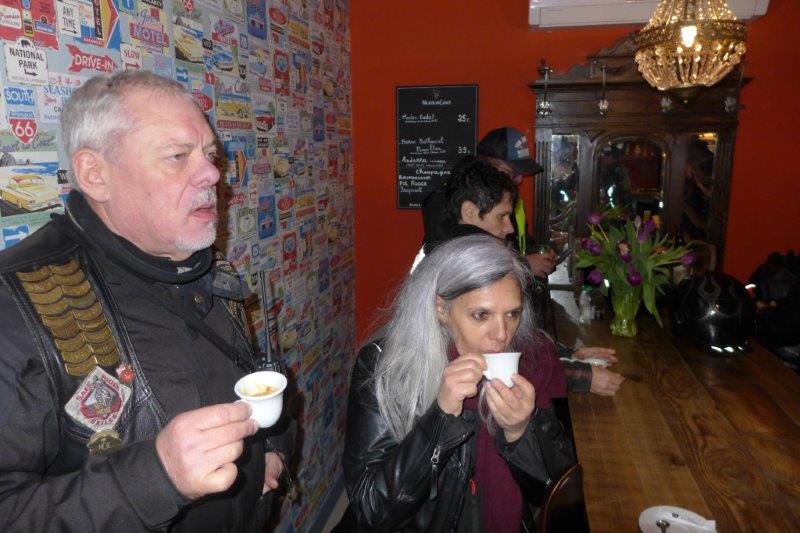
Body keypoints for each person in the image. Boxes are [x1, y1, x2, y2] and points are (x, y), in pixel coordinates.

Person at [0, 71, 291, 531]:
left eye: (209, 154)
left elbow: (241, 387)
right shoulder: (16, 305)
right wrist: (157, 477)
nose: (213, 174)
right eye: (177, 156)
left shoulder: (204, 265)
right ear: (95, 175)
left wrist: (267, 452)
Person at [342, 235, 576, 531]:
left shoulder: (530, 361)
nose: (502, 334)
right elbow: (370, 510)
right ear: (441, 308)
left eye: (512, 314)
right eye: (481, 315)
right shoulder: (387, 366)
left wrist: (520, 431)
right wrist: (440, 417)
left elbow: (559, 491)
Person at [428, 158, 624, 396]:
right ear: (469, 212)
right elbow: (495, 365)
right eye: (501, 216)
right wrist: (581, 376)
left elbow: (513, 338)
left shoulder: (452, 249)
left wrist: (566, 354)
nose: (509, 227)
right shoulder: (456, 267)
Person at [422, 128, 557, 280]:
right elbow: (449, 259)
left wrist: (541, 257)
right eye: (513, 172)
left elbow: (518, 242)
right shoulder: (444, 198)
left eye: (522, 174)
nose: (520, 180)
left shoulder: (509, 198)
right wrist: (524, 264)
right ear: (486, 166)